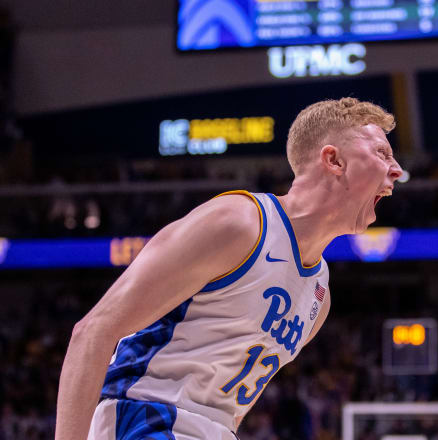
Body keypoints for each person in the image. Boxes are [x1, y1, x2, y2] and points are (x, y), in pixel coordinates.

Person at [55, 97, 403, 440]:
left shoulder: (318, 296)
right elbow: (92, 331)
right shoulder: (239, 223)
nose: (397, 170)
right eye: (381, 153)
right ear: (334, 160)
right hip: (148, 417)